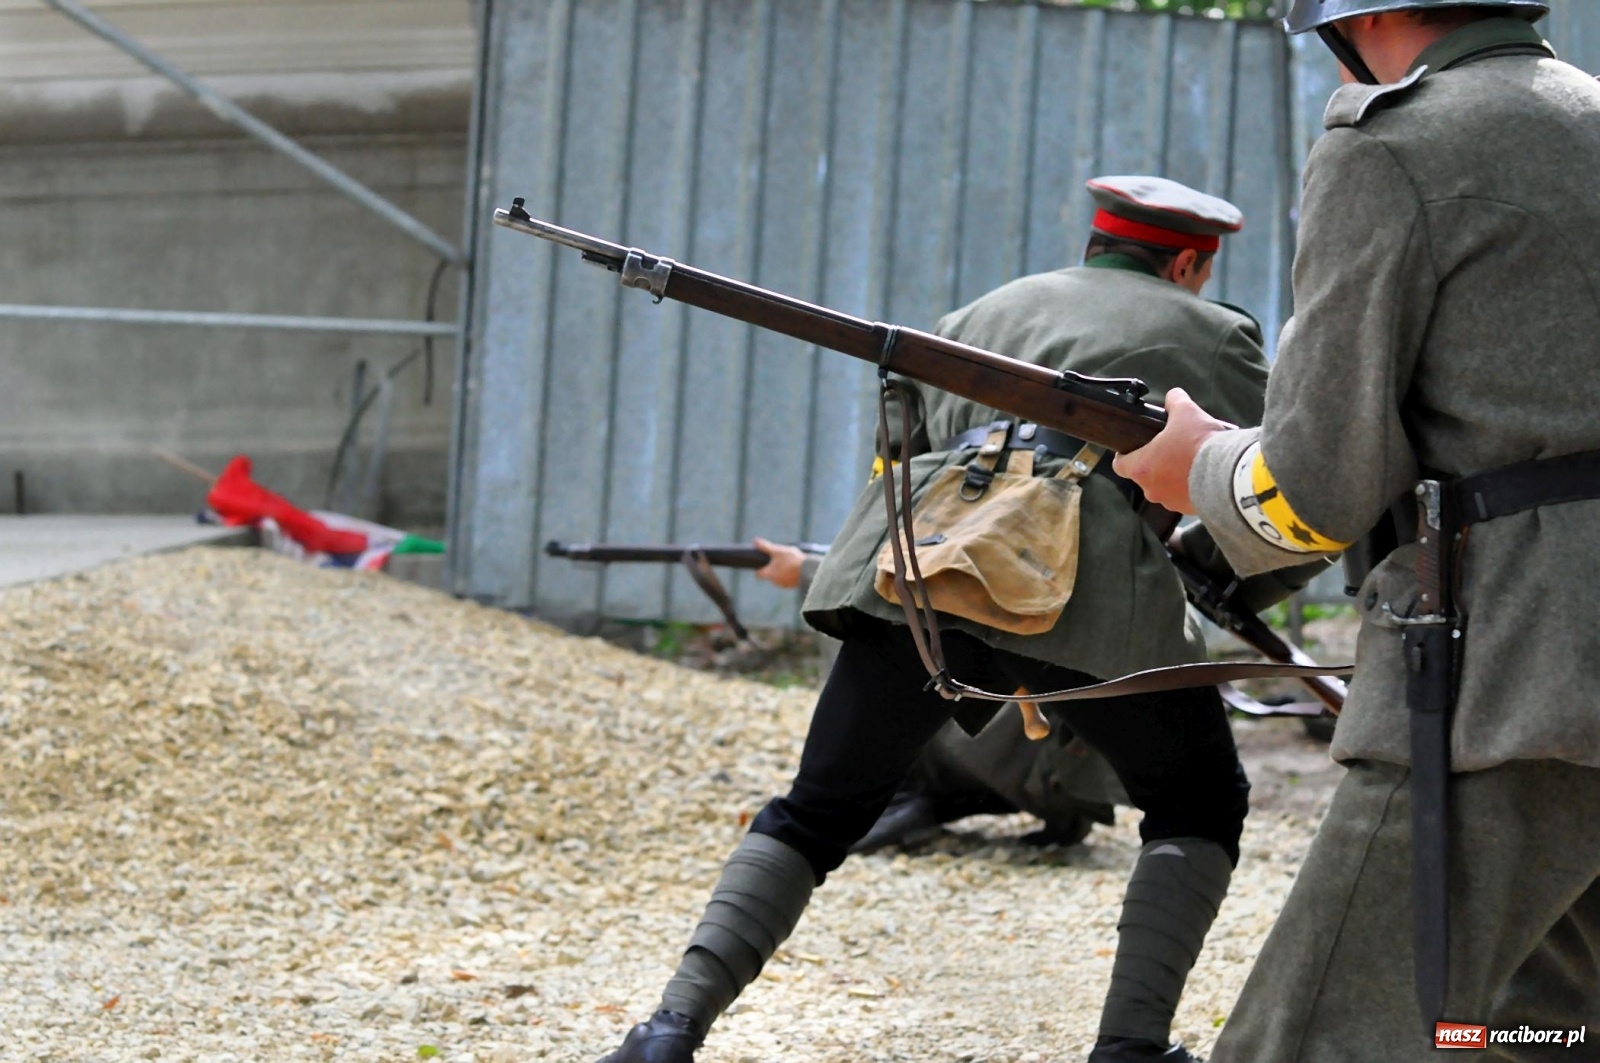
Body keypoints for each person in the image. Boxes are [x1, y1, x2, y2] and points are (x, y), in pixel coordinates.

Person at [595, 175, 1272, 1063]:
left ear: (1096, 243)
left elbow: (902, 458)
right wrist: (1233, 586)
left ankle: (669, 1029)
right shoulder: (1218, 333)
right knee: (1197, 800)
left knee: (816, 810)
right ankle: (1130, 1048)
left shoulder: (975, 315)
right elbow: (1270, 484)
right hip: (1093, 594)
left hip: (927, 576)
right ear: (1189, 261)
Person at [1113, 4, 1600, 1060]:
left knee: (1311, 1037)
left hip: (1501, 678)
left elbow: (1319, 485)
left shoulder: (1392, 144)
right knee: (1538, 1033)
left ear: (1358, 15)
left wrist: (1189, 463)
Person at [751, 536, 1126, 852]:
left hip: (1040, 764)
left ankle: (898, 800)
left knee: (869, 613)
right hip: (1065, 779)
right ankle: (914, 799)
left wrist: (807, 571)